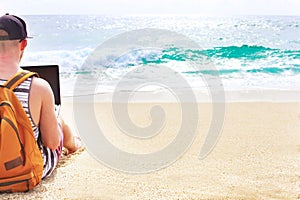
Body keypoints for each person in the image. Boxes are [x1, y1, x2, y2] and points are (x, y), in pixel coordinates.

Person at [0, 14, 81, 179]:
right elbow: (51, 143)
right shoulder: (38, 87)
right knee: (56, 114)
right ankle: (74, 145)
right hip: (22, 173)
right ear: (23, 44)